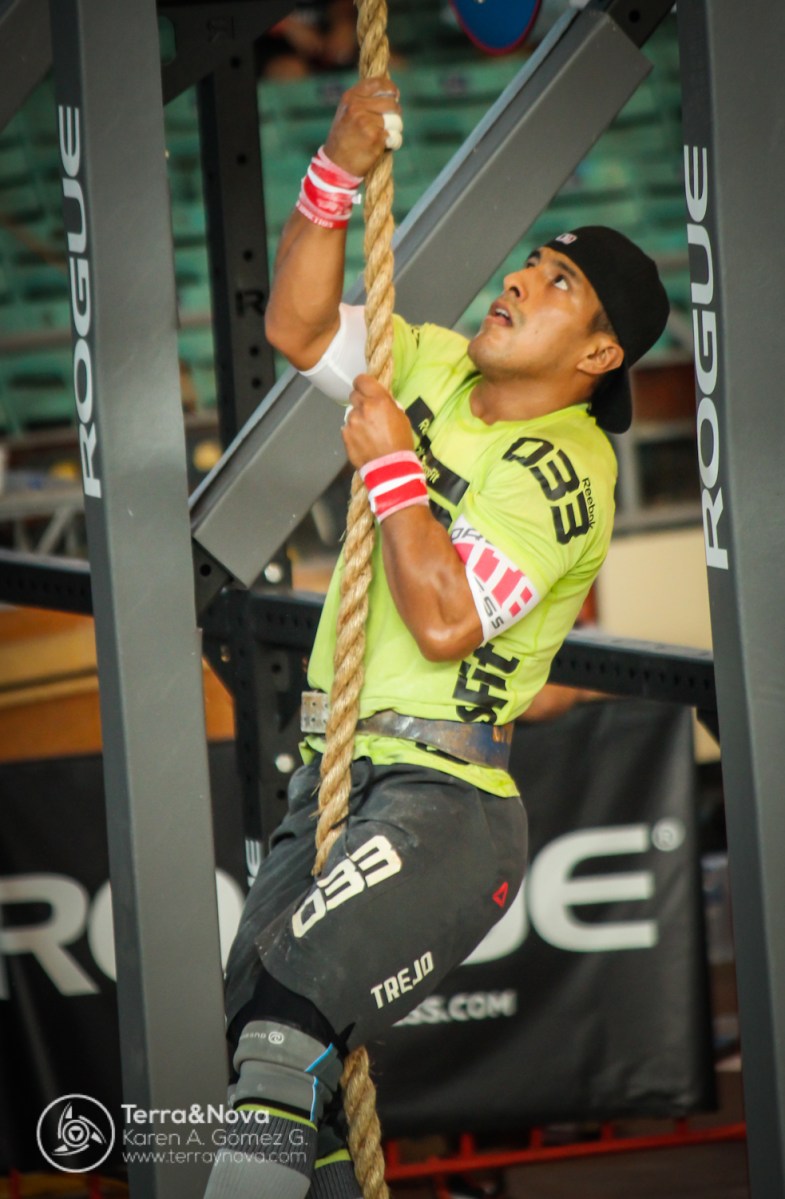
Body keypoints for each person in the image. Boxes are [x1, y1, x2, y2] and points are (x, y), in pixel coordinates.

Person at [203, 79, 669, 1199]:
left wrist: (390, 466)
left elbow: (447, 620)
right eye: (530, 262)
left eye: (558, 284)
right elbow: (296, 326)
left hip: (442, 804)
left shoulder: (566, 469)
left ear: (597, 355)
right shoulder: (438, 364)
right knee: (259, 1062)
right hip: (333, 775)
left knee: (278, 1036)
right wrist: (335, 166)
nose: (519, 280)